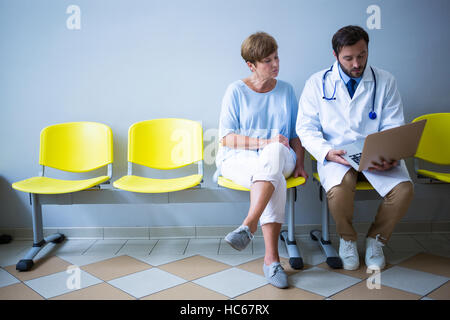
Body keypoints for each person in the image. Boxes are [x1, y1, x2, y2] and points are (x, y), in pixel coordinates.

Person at [297, 25, 414, 271]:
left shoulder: (385, 81)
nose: (357, 63)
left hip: (377, 154)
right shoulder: (317, 83)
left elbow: (394, 124)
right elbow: (305, 128)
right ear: (335, 55)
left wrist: (391, 153)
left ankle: (376, 241)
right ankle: (348, 240)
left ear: (367, 49)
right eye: (348, 58)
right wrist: (326, 152)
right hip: (336, 154)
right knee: (340, 190)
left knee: (404, 190)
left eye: (361, 55)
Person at [216, 32, 308, 288]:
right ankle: (272, 260)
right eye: (268, 60)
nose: (275, 64)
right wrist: (263, 142)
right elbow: (226, 138)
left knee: (275, 154)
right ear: (251, 65)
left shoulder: (287, 90)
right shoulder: (235, 91)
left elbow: (295, 135)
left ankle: (249, 224)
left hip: (281, 155)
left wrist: (301, 163)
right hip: (240, 158)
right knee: (273, 173)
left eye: (276, 57)